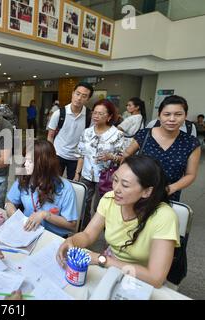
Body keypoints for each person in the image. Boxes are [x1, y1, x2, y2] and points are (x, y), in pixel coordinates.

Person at [57, 155, 180, 288]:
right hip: (110, 264)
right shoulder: (110, 199)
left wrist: (102, 260)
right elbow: (88, 235)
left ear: (147, 192)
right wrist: (72, 241)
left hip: (140, 277)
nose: (116, 189)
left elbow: (155, 278)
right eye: (115, 180)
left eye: (125, 185)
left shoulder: (164, 217)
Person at [123, 95, 201, 201]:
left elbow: (190, 174)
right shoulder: (144, 134)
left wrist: (169, 189)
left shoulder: (191, 142)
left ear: (185, 116)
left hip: (169, 195)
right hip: (138, 192)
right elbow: (127, 155)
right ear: (159, 115)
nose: (172, 119)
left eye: (178, 114)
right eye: (167, 114)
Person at [5, 140, 78, 238]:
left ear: (44, 165)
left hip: (53, 237)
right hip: (28, 231)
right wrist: (15, 216)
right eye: (25, 159)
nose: (25, 164)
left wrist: (45, 215)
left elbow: (72, 225)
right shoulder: (25, 178)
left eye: (29, 161)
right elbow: (10, 203)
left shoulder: (65, 188)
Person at [74, 99, 124, 229]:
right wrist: (77, 174)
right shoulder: (87, 132)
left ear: (110, 116)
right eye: (94, 113)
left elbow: (123, 158)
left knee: (102, 207)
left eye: (100, 114)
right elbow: (81, 154)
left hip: (106, 177)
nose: (96, 116)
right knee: (83, 204)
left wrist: (110, 156)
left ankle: (104, 232)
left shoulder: (117, 134)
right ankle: (84, 230)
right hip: (86, 175)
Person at [47, 82, 94, 180]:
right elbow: (50, 136)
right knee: (53, 183)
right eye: (77, 94)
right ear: (73, 93)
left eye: (84, 96)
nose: (79, 98)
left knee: (74, 186)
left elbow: (88, 140)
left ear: (88, 99)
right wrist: (51, 155)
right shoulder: (59, 113)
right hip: (58, 154)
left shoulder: (90, 116)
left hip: (77, 158)